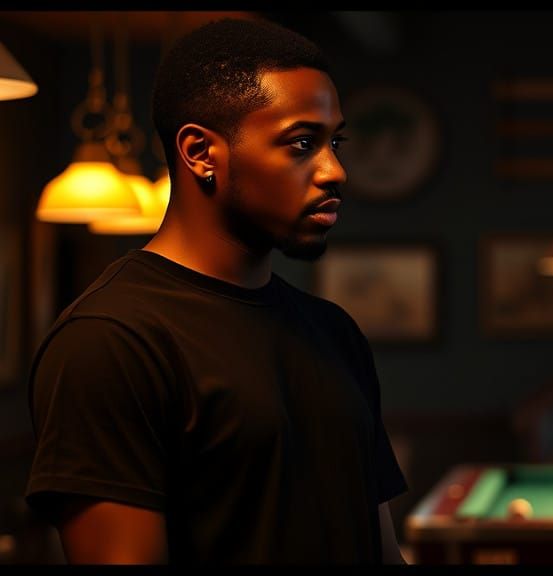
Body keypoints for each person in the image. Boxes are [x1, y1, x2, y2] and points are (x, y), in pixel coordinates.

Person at [25, 18, 408, 564]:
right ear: (201, 152)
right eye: (303, 144)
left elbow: (382, 550)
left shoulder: (335, 332)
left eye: (335, 142)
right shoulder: (110, 341)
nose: (335, 171)